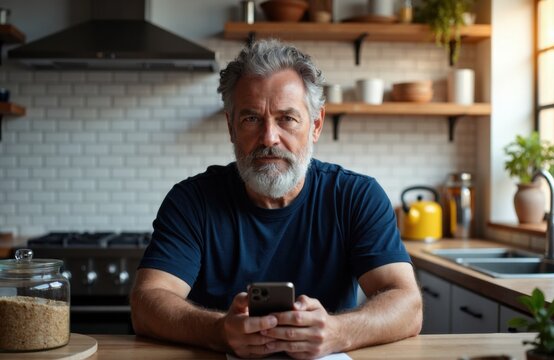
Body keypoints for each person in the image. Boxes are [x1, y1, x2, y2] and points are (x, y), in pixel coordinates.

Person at [130, 39, 422, 359]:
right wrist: (218, 331)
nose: (269, 137)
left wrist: (340, 332)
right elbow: (147, 302)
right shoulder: (192, 201)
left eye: (287, 118)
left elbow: (407, 303)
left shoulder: (356, 197)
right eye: (251, 118)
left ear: (316, 125)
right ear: (231, 127)